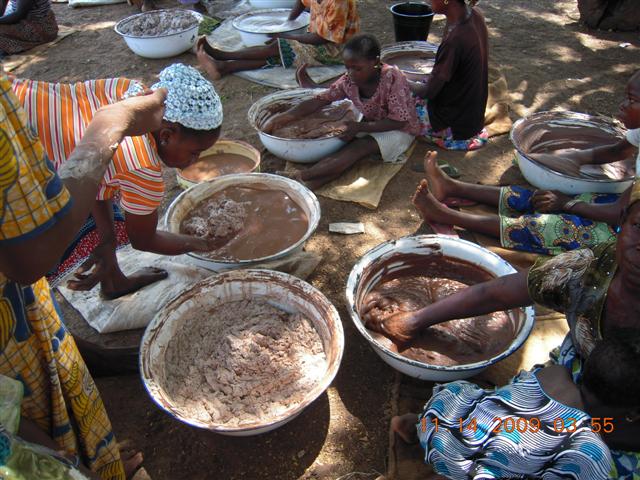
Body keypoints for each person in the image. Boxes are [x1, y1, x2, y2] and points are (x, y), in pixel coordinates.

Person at [365, 183, 640, 479]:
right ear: (622, 219)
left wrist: (575, 426)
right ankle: (438, 429)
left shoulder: (588, 451)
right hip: (583, 387)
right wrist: (416, 320)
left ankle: (439, 432)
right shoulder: (591, 269)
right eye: (639, 226)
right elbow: (496, 294)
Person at [0, 67, 168, 478]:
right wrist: (113, 124)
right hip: (13, 287)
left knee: (39, 388)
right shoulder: (138, 156)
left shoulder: (113, 94)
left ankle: (87, 456)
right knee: (27, 415)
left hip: (15, 287)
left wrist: (109, 245)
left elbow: (99, 186)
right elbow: (29, 259)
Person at [10, 63, 226, 299]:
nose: (194, 161)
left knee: (110, 222)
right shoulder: (142, 165)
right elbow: (144, 240)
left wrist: (107, 239)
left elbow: (96, 167)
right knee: (35, 250)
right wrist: (204, 244)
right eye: (194, 152)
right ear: (165, 136)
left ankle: (113, 280)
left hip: (13, 100)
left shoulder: (128, 91)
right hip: (13, 153)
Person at [410, 70, 640, 255]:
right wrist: (578, 158)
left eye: (631, 100)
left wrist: (566, 204)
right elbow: (620, 149)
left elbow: (619, 213)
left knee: (550, 226)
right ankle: (453, 187)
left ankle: (448, 216)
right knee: (541, 198)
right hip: (623, 209)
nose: (622, 105)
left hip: (626, 233)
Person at [391, 329, 640, 479]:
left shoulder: (554, 375)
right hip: (461, 466)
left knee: (472, 398)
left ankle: (413, 425)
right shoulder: (592, 450)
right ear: (632, 413)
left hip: (439, 425)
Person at [263, 34, 420, 189]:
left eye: (357, 68)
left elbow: (399, 121)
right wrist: (285, 117)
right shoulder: (349, 80)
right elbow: (321, 100)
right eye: (347, 67)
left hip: (399, 129)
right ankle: (309, 185)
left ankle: (299, 177)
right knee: (343, 148)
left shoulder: (392, 78)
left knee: (360, 147)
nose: (351, 73)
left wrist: (360, 127)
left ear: (376, 62)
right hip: (370, 124)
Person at [195, 0, 359, 79]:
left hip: (337, 49)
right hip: (319, 38)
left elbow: (321, 38)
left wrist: (286, 35)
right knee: (279, 53)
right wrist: (287, 22)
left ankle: (221, 55)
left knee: (279, 46)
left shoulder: (338, 2)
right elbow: (301, 3)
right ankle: (224, 67)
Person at [410, 0, 489, 151]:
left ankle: (436, 133)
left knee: (395, 102)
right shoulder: (475, 14)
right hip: (472, 118)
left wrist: (399, 77)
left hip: (455, 126)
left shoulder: (455, 40)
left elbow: (428, 92)